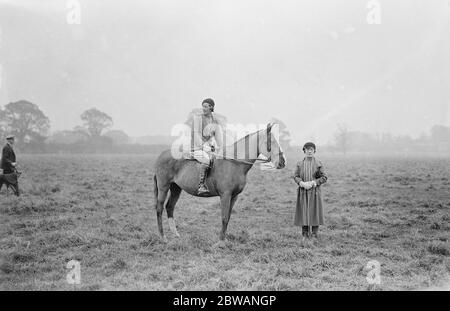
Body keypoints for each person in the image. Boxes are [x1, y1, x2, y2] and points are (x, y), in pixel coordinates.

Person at [185, 98, 225, 194]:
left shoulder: (215, 120)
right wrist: (204, 146)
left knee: (220, 160)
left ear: (211, 107)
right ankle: (201, 186)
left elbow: (218, 137)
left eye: (206, 106)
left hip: (208, 148)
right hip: (196, 148)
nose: (203, 108)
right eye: (203, 106)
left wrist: (220, 148)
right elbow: (196, 135)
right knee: (206, 160)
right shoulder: (197, 118)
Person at [293, 142, 327, 238]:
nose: (309, 151)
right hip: (303, 192)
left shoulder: (319, 163)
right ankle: (305, 234)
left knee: (315, 212)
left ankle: (315, 234)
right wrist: (301, 183)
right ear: (304, 151)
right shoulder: (300, 164)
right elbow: (295, 176)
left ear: (314, 151)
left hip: (315, 192)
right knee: (304, 212)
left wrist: (314, 183)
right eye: (307, 149)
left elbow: (324, 177)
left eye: (311, 149)